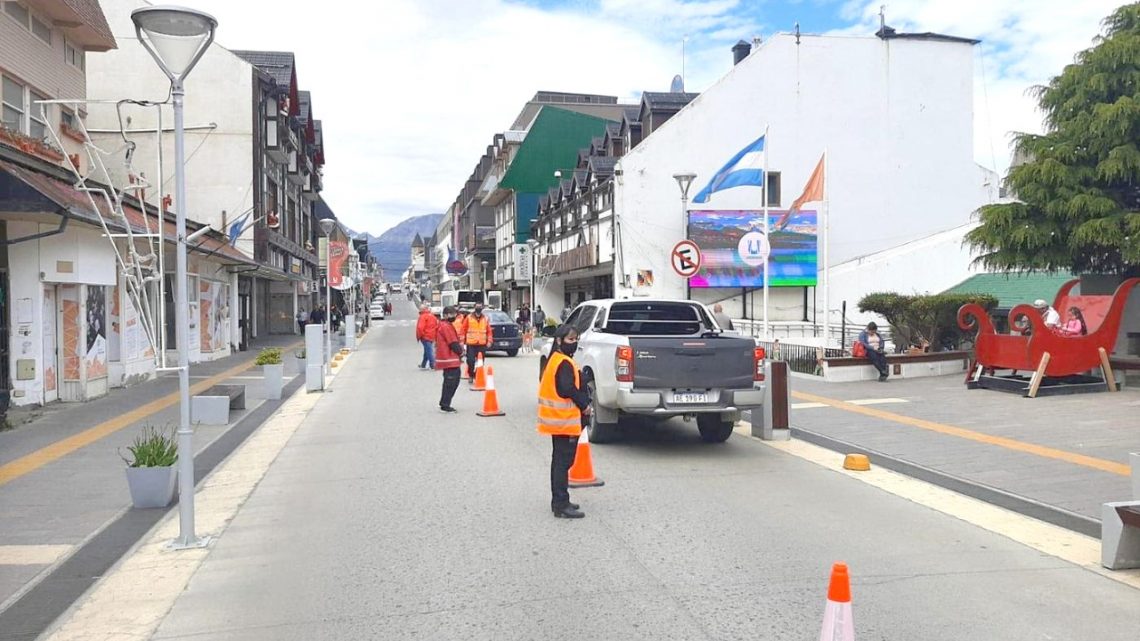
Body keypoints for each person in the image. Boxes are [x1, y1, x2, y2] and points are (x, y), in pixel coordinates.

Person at [537, 325, 591, 519]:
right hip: (565, 422)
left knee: (560, 462)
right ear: (559, 341)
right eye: (570, 339)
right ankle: (560, 503)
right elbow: (568, 389)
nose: (574, 343)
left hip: (560, 421)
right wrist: (585, 404)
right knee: (562, 463)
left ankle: (561, 500)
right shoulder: (563, 362)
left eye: (576, 339)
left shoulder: (558, 359)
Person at [434, 306, 464, 413]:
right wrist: (461, 352)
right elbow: (452, 342)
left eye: (454, 314)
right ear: (446, 315)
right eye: (451, 314)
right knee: (451, 382)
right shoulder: (446, 326)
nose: (454, 316)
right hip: (449, 359)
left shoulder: (445, 325)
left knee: (450, 381)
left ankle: (444, 402)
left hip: (449, 359)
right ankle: (445, 405)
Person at [461, 304, 493, 379]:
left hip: (482, 344)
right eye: (477, 307)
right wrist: (462, 342)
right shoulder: (469, 318)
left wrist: (489, 341)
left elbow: (489, 331)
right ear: (474, 308)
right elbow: (463, 330)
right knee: (470, 361)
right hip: (471, 343)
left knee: (480, 362)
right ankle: (471, 374)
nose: (478, 308)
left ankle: (477, 374)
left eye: (480, 307)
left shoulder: (485, 318)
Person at [416, 304, 439, 369]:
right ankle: (423, 364)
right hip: (432, 336)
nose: (419, 310)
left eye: (420, 308)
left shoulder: (422, 316)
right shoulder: (432, 316)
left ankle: (433, 364)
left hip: (425, 336)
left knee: (429, 351)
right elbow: (436, 326)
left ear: (423, 309)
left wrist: (421, 335)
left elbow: (420, 328)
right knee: (427, 350)